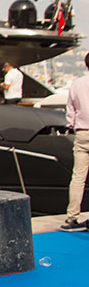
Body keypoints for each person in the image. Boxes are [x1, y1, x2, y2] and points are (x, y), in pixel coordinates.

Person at [62, 53, 89, 230]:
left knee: (78, 177)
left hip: (82, 133)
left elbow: (70, 110)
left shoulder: (76, 83)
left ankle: (72, 218)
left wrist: (71, 125)